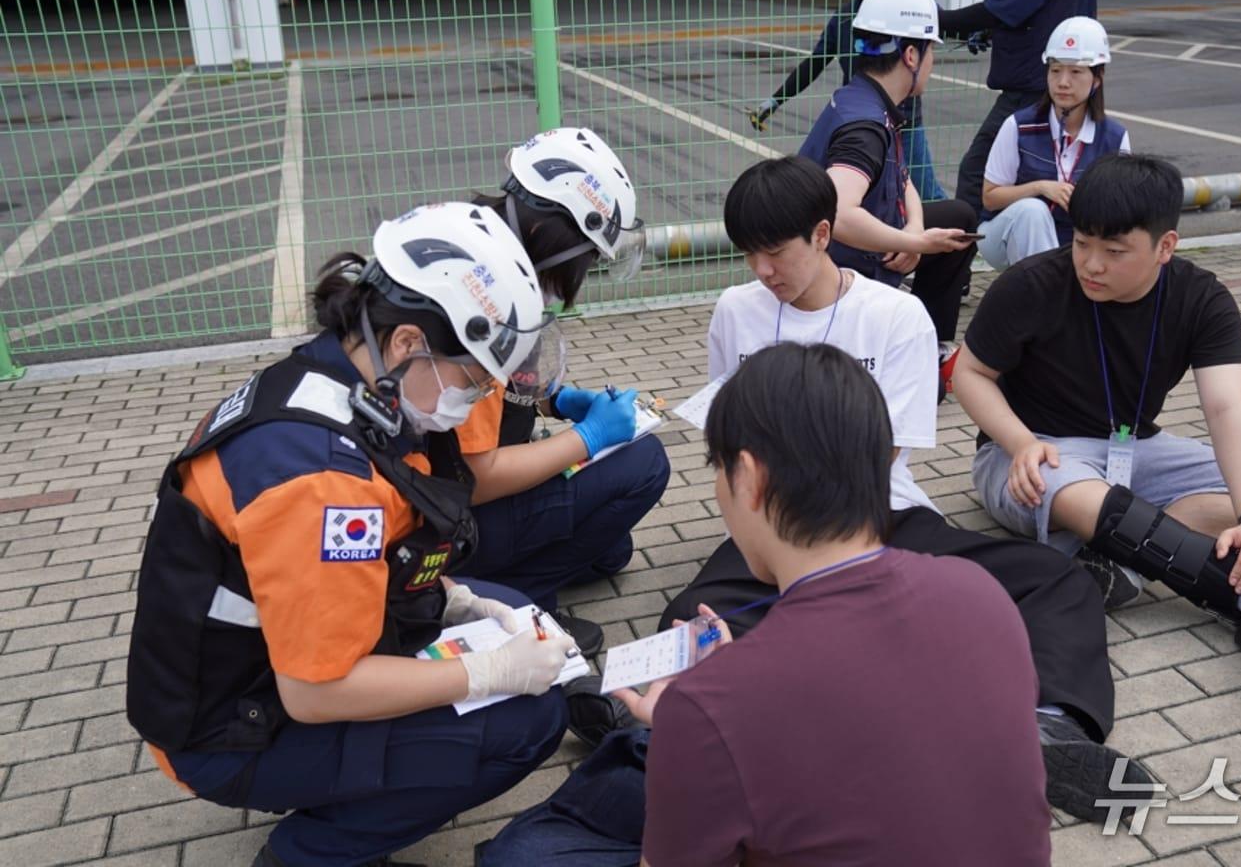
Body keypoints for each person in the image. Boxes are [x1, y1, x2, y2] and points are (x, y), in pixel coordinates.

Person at [655, 156, 1149, 824]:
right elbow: (726, 424)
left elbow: (883, 453)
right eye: (749, 256)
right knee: (690, 616)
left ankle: (1050, 726)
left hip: (879, 517)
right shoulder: (735, 311)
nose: (761, 272)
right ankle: (657, 725)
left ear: (823, 235)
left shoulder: (894, 316)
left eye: (775, 253)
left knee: (1053, 580)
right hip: (767, 533)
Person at [125, 203, 579, 867]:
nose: (479, 398)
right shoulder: (320, 480)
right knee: (526, 719)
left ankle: (345, 788)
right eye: (473, 378)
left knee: (491, 598)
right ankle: (311, 853)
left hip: (249, 674)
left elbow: (367, 551)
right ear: (406, 344)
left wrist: (458, 599)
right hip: (232, 731)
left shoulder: (337, 376)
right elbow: (316, 692)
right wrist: (485, 672)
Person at [483, 342, 1057, 866]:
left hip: (713, 742)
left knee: (520, 855)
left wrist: (689, 730)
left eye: (718, 470)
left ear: (750, 479)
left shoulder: (713, 706)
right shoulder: (982, 594)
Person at [952, 154, 1241, 673]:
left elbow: (1227, 406)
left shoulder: (1202, 299)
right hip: (1030, 454)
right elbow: (969, 374)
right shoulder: (1032, 284)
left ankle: (1118, 565)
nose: (1091, 264)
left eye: (1115, 250)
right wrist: (1018, 442)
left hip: (1134, 448)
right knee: (1069, 486)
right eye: (1082, 243)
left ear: (1164, 247)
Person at [453, 128, 672, 656]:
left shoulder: (479, 248)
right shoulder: (487, 304)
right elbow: (473, 478)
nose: (585, 272)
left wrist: (558, 400)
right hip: (444, 524)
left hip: (441, 505)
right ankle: (518, 603)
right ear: (561, 237)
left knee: (610, 550)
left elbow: (500, 388)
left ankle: (511, 573)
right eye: (590, 258)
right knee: (645, 464)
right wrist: (589, 438)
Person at [797, 0, 981, 349]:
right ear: (911, 55)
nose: (931, 62)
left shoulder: (866, 98)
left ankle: (929, 345)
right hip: (838, 271)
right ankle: (909, 355)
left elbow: (902, 176)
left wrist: (914, 230)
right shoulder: (865, 126)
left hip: (844, 249)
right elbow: (840, 212)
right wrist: (914, 242)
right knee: (928, 394)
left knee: (957, 217)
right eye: (931, 52)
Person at [748, 0, 949, 201]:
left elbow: (945, 22)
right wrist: (777, 99)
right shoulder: (843, 19)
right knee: (862, 197)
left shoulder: (908, 6)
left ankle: (957, 237)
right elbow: (816, 62)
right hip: (862, 122)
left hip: (905, 125)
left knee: (927, 195)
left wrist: (986, 29)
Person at [938, 0, 1097, 220]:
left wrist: (935, 19)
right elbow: (1047, 2)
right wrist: (991, 31)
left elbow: (1006, 6)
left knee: (978, 174)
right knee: (1033, 175)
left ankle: (959, 257)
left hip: (1036, 85)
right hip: (1049, 78)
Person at [978, 16, 1131, 270]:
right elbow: (990, 198)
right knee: (1032, 212)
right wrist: (1040, 187)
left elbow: (1122, 210)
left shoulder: (1114, 138)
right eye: (1055, 69)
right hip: (1004, 236)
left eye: (1076, 72)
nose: (1062, 82)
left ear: (1097, 78)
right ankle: (1046, 298)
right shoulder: (1018, 125)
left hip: (1078, 243)